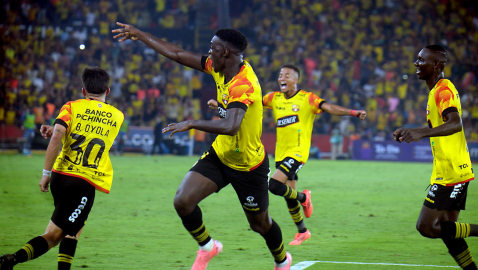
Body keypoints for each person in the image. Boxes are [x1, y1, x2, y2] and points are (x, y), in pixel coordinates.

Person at [112, 23, 292, 270]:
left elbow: (231, 126)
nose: (208, 53)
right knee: (183, 201)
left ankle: (283, 261)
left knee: (260, 225)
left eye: (212, 48)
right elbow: (178, 54)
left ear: (225, 52)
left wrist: (191, 123)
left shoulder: (244, 84)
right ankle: (208, 247)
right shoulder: (219, 68)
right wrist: (140, 35)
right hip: (220, 155)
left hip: (249, 165)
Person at [0, 67, 124, 270]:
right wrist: (59, 132)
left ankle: (13, 259)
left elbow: (60, 134)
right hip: (83, 181)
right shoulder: (118, 116)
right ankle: (13, 259)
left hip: (59, 177)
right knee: (61, 234)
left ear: (83, 91)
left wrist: (45, 174)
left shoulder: (71, 107)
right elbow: (92, 132)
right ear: (108, 91)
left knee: (64, 229)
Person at [393, 45, 478, 270]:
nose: (416, 63)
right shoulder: (436, 91)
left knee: (427, 227)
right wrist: (414, 129)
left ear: (437, 65)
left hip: (450, 172)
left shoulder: (443, 90)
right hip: (452, 168)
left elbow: (455, 122)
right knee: (449, 230)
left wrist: (420, 133)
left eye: (422, 60)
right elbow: (443, 125)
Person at [262, 65, 366, 245]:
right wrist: (222, 104)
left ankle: (304, 197)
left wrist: (352, 112)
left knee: (274, 185)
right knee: (289, 194)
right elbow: (251, 101)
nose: (282, 78)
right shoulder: (273, 98)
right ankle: (302, 231)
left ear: (296, 80)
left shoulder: (307, 98)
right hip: (281, 152)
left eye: (287, 75)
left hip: (297, 152)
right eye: (280, 75)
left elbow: (329, 107)